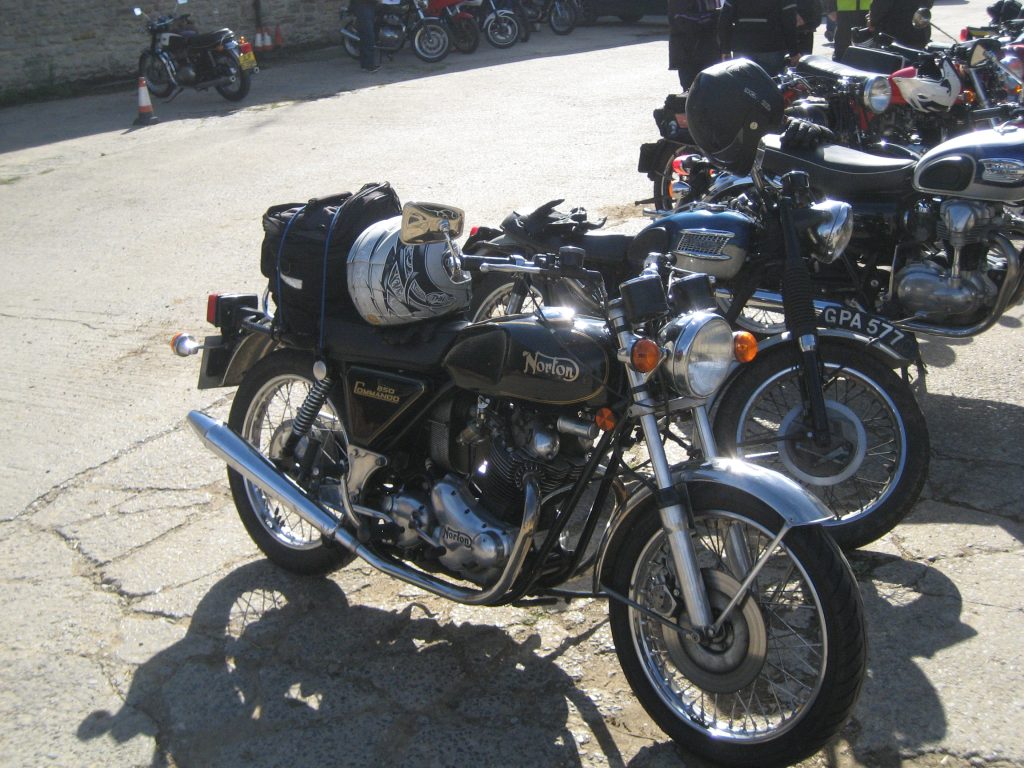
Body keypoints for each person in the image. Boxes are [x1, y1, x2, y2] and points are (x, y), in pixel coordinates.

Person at [717, 0, 800, 75]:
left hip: (742, 48)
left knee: (745, 84)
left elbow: (724, 21)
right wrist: (794, 52)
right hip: (772, 47)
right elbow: (789, 22)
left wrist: (725, 50)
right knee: (772, 84)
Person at [667, 0, 722, 91]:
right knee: (691, 90)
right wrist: (713, 17)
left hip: (711, 52)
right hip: (689, 53)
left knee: (712, 89)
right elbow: (681, 18)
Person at [867, 0, 931, 48]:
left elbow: (879, 7)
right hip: (919, 34)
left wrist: (872, 21)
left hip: (892, 36)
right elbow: (928, 4)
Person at [351, 0, 381, 72]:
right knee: (368, 36)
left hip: (367, 6)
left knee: (364, 37)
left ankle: (364, 64)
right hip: (363, 6)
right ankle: (370, 65)